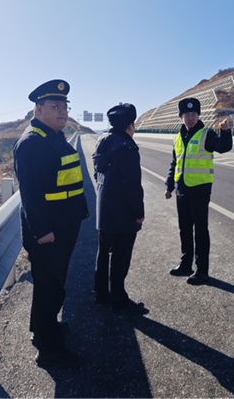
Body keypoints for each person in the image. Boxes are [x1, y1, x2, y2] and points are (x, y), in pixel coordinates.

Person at [13, 79, 89, 369]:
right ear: (38, 109)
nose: (63, 111)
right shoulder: (32, 143)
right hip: (50, 233)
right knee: (50, 289)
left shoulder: (54, 135)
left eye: (65, 106)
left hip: (63, 226)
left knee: (50, 285)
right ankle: (50, 351)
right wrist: (42, 231)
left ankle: (42, 329)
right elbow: (30, 194)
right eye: (55, 106)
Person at [165, 97, 232, 285]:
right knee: (184, 229)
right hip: (181, 190)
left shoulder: (206, 134)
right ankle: (185, 264)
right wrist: (169, 186)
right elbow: (175, 163)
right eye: (187, 114)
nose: (191, 118)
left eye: (194, 114)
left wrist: (225, 132)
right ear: (181, 117)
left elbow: (223, 147)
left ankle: (202, 271)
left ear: (198, 115)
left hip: (199, 191)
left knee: (200, 231)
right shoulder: (178, 138)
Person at [92, 103, 147, 315]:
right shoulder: (127, 147)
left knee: (103, 254)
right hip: (123, 214)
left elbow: (97, 174)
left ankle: (101, 294)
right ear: (130, 125)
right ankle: (118, 300)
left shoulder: (102, 141)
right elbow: (132, 185)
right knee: (120, 257)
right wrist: (138, 213)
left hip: (104, 210)